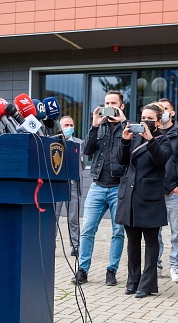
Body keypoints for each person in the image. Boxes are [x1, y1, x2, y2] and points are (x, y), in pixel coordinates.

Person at [116, 102, 173, 298]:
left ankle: (146, 284)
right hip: (129, 194)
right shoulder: (133, 138)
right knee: (132, 241)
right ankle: (132, 281)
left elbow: (161, 160)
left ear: (158, 121)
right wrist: (124, 141)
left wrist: (150, 140)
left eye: (150, 118)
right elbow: (121, 161)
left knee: (150, 241)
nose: (146, 121)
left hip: (149, 197)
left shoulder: (164, 140)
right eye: (143, 118)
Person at [72, 91, 127, 286]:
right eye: (107, 103)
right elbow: (86, 150)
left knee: (118, 232)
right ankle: (82, 270)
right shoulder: (99, 125)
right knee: (87, 230)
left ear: (122, 106)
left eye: (114, 103)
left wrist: (122, 123)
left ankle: (111, 271)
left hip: (118, 186)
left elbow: (129, 152)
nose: (110, 106)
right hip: (97, 185)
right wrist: (94, 126)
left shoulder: (127, 127)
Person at [155, 98, 178, 283]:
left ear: (173, 112)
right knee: (155, 232)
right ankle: (156, 265)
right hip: (153, 192)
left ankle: (175, 265)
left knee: (177, 232)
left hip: (173, 192)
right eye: (159, 109)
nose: (162, 112)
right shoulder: (150, 132)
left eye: (166, 109)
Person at [55, 116, 85, 257]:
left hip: (73, 186)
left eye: (71, 125)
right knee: (53, 217)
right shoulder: (54, 142)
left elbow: (83, 164)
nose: (69, 127)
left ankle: (75, 246)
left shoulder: (79, 143)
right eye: (66, 125)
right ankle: (51, 244)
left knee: (73, 218)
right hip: (58, 187)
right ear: (60, 127)